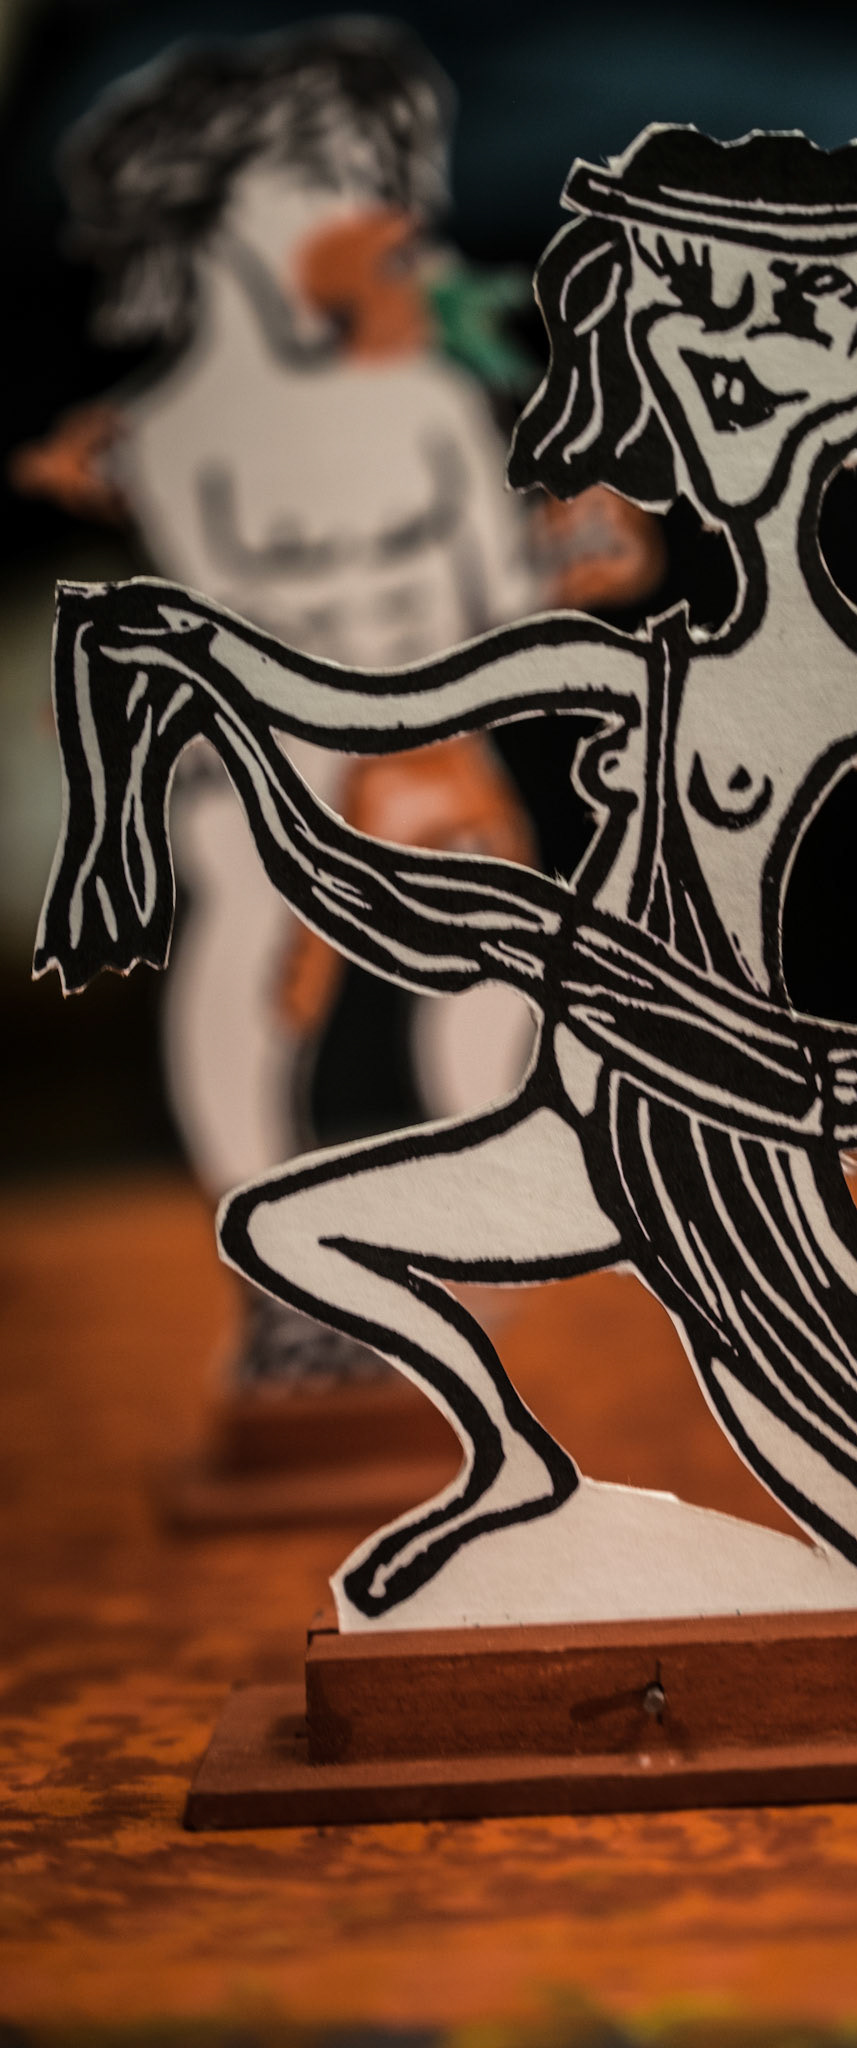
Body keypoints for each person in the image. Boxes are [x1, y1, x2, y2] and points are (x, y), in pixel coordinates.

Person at [37, 126, 857, 1705]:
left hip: (715, 1140)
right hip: (578, 1123)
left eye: (780, 321)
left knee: (808, 1423)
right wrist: (197, 655)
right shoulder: (624, 664)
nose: (717, 361)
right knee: (292, 1227)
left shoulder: (852, 684)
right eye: (687, 314)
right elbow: (364, 703)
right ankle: (512, 1461)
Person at [16, 21, 656, 1383]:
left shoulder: (428, 400)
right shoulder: (172, 432)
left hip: (428, 733)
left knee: (499, 952)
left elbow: (490, 594)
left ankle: (487, 1233)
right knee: (250, 953)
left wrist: (566, 560)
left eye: (376, 182)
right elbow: (221, 612)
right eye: (320, 178)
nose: (361, 216)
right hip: (267, 754)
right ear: (215, 202)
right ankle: (278, 1268)